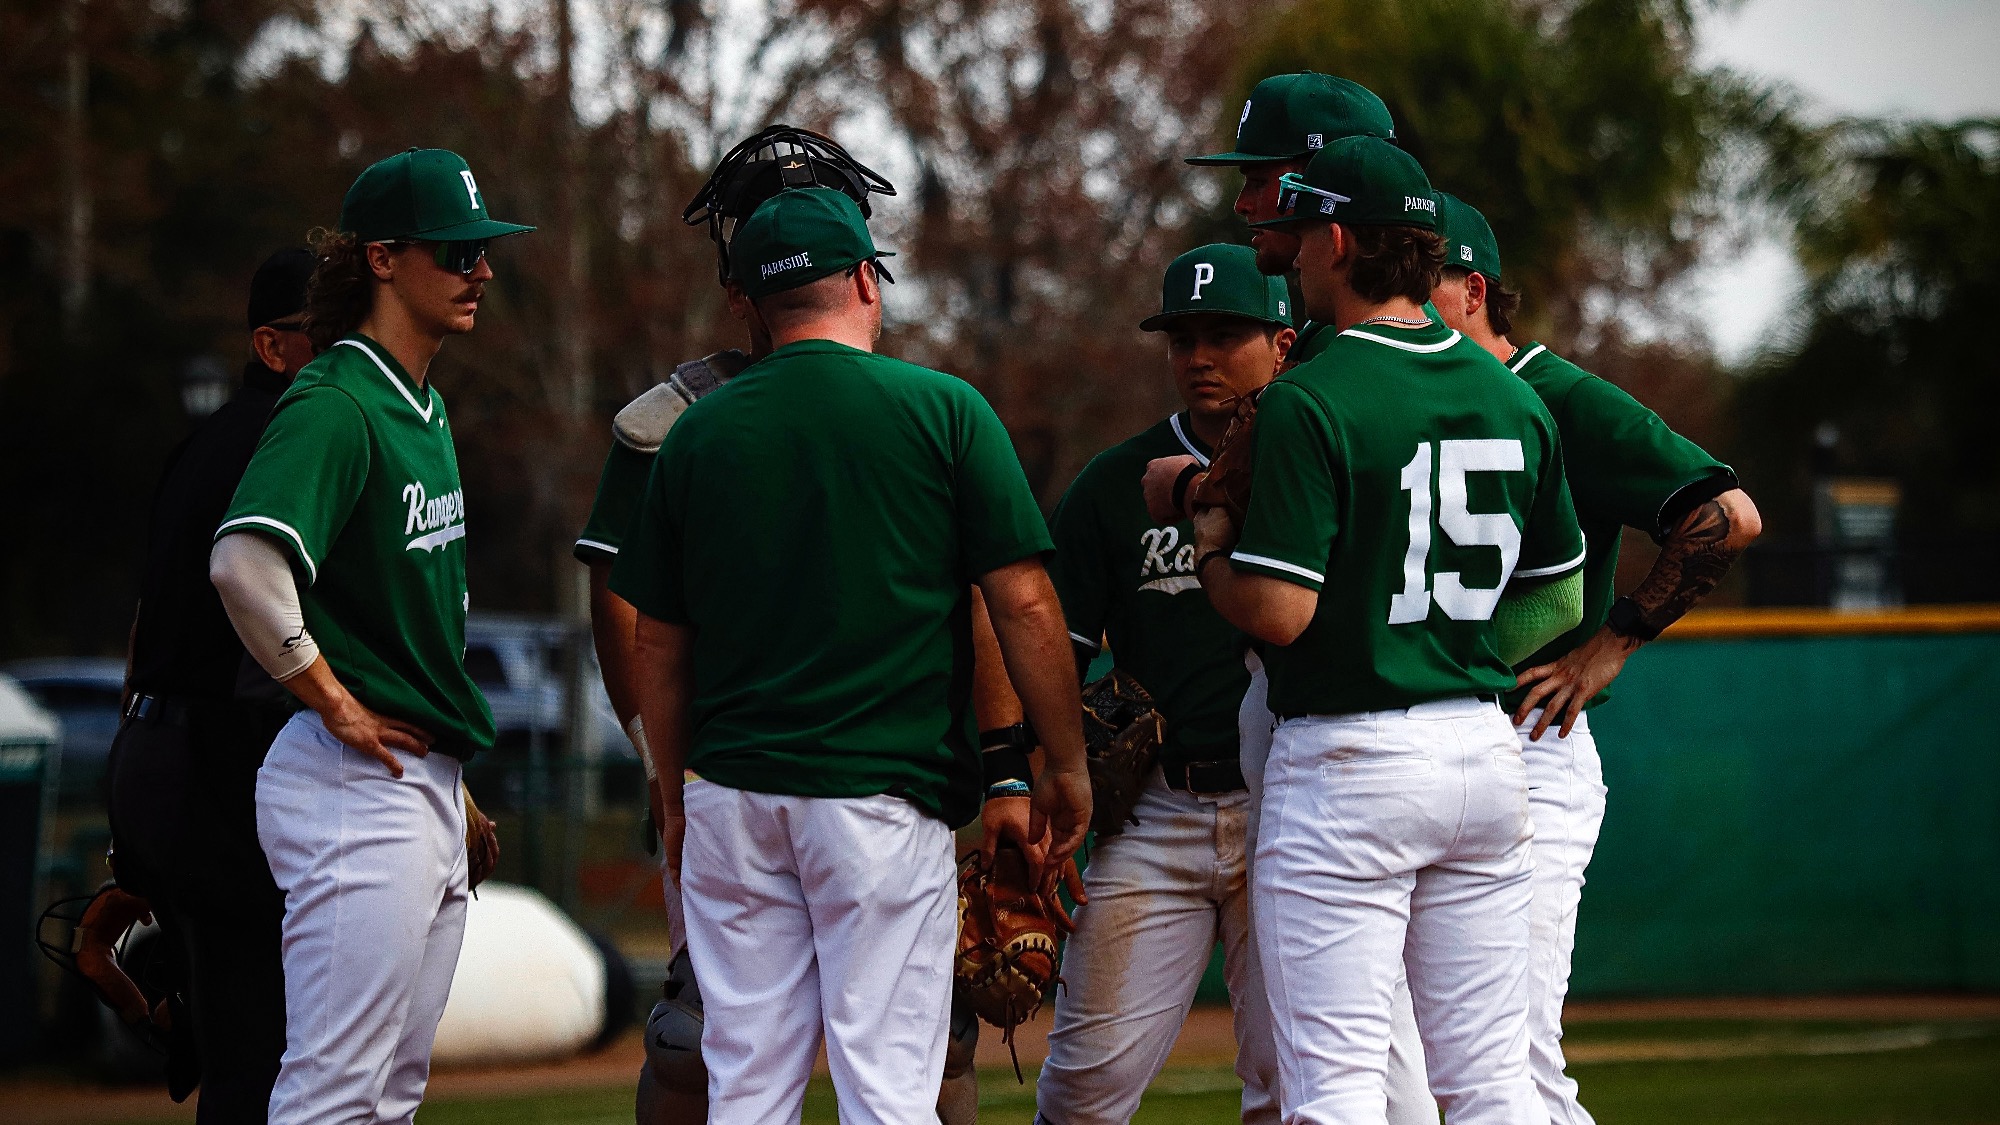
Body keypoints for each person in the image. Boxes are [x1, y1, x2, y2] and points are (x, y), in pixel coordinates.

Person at [575, 126, 1030, 1125]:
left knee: (910, 1051)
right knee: (707, 1046)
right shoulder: (680, 419)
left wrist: (1002, 767)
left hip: (807, 780)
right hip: (767, 778)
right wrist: (664, 767)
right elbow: (626, 609)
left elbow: (974, 600)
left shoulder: (904, 408)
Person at [1169, 137, 1588, 1124]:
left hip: (1349, 760)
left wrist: (1207, 545)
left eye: (1304, 227)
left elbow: (1279, 612)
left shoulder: (1311, 395)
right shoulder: (1513, 395)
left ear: (1339, 240)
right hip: (1483, 753)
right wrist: (1443, 653)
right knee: (1490, 1082)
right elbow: (1559, 601)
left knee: (1337, 1087)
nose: (1294, 250)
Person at [209, 147, 528, 1125]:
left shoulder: (419, 403)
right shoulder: (339, 399)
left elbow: (405, 627)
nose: (480, 269)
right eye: (456, 250)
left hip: (412, 777)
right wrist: (334, 700)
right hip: (352, 783)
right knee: (332, 1095)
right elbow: (243, 564)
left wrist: (450, 779)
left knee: (390, 1096)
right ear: (382, 259)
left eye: (481, 249)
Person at [1429, 191, 1762, 1124]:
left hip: (1529, 741)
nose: (1405, 299)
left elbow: (1728, 516)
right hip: (1418, 749)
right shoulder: (1398, 392)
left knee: (1512, 1055)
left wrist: (1612, 643)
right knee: (1412, 1062)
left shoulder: (1560, 396)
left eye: (1426, 279)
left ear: (1474, 290)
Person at [1183, 71, 1439, 1125]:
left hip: (1355, 722)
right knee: (1407, 1035)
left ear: (1325, 185)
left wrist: (1200, 513)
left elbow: (1280, 595)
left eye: (1266, 178)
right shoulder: (1394, 348)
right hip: (1431, 723)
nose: (1247, 201)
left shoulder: (1344, 361)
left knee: (1350, 1043)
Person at [1032, 243, 1293, 1125]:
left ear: (1283, 342)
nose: (1199, 356)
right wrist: (1033, 780)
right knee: (1081, 1090)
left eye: (1225, 334)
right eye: (1183, 338)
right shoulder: (1116, 484)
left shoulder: (1320, 462)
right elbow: (1056, 655)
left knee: (1295, 1085)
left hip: (1290, 810)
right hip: (1155, 814)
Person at [105, 247, 313, 1122]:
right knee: (261, 1057)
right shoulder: (285, 440)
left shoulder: (202, 442)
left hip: (155, 749)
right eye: (327, 331)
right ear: (271, 346)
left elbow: (144, 623)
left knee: (242, 1041)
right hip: (214, 762)